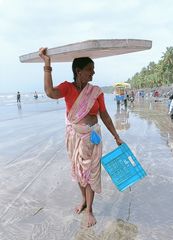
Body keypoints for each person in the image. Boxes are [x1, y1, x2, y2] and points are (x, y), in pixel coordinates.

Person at [39, 47, 123, 227]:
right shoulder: (67, 88)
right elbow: (49, 92)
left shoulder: (96, 91)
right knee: (78, 171)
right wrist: (47, 65)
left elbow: (105, 115)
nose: (93, 73)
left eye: (93, 69)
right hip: (74, 137)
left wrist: (116, 135)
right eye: (90, 69)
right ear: (78, 71)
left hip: (91, 137)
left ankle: (90, 210)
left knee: (90, 172)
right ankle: (84, 201)